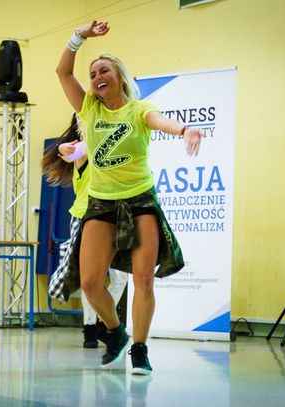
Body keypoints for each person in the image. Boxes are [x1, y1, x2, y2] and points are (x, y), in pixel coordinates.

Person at [56, 20, 202, 375]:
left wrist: (184, 129)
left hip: (140, 202)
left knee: (143, 278)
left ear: (119, 76)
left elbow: (160, 121)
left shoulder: (138, 110)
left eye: (104, 70)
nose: (97, 77)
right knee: (90, 283)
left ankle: (140, 348)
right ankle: (116, 333)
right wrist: (79, 37)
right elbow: (63, 72)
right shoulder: (89, 109)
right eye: (93, 73)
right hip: (100, 203)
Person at [41, 114, 128, 349]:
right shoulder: (82, 148)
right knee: (92, 279)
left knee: (120, 277)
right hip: (86, 217)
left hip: (115, 216)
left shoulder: (114, 142)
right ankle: (90, 326)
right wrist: (61, 148)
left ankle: (102, 322)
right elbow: (69, 152)